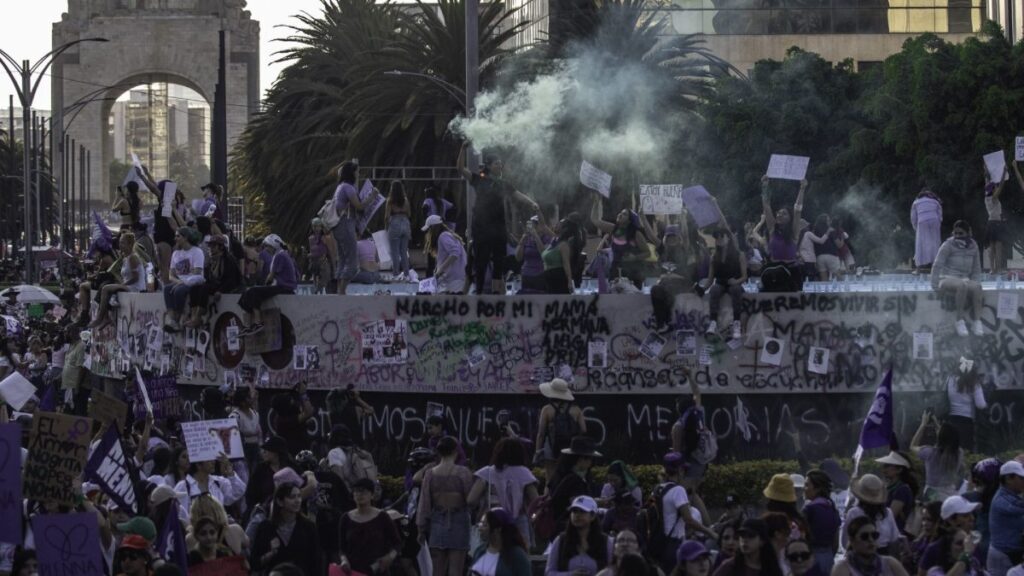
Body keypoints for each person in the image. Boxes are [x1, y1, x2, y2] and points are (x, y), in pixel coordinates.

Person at [457, 142, 540, 294]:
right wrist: (463, 149)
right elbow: (461, 169)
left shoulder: (503, 183)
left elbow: (517, 194)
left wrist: (532, 203)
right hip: (481, 229)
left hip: (499, 229)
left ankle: (496, 299)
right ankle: (479, 295)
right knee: (480, 264)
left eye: (501, 163)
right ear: (488, 166)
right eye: (496, 163)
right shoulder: (479, 180)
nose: (500, 166)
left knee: (498, 265)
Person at [417, 436, 474, 576]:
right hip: (459, 520)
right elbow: (471, 499)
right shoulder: (463, 472)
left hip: (437, 520)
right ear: (456, 451)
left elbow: (424, 503)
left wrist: (421, 529)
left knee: (437, 570)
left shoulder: (430, 473)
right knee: (456, 569)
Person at [467, 438, 540, 545]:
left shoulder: (487, 472)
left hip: (492, 521)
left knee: (492, 554)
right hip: (518, 522)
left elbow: (471, 500)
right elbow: (536, 501)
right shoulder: (524, 473)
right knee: (519, 556)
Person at [656, 452, 717, 573]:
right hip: (674, 544)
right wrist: (710, 532)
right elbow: (688, 520)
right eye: (683, 470)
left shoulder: (658, 488)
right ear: (679, 470)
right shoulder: (678, 490)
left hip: (660, 543)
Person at [250, 483, 322, 576]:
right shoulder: (265, 527)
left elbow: (316, 562)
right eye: (292, 497)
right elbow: (254, 563)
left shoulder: (308, 527)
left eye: (299, 496)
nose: (297, 501)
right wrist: (270, 554)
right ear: (280, 501)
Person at [332, 161, 380, 295]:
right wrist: (372, 196)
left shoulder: (341, 186)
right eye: (357, 171)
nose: (358, 174)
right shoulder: (348, 187)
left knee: (343, 259)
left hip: (339, 226)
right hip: (346, 225)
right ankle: (342, 291)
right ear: (352, 173)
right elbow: (359, 206)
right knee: (352, 263)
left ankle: (339, 291)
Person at [338, 478, 402, 576]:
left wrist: (389, 557)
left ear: (372, 495)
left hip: (377, 570)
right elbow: (342, 549)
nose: (360, 494)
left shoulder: (382, 517)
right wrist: (344, 561)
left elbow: (397, 543)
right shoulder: (346, 518)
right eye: (356, 491)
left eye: (364, 491)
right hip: (354, 572)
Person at [930, 220, 983, 337]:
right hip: (946, 278)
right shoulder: (948, 245)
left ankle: (977, 322)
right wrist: (935, 286)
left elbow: (976, 268)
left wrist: (974, 282)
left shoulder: (973, 246)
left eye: (961, 233)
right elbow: (937, 265)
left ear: (968, 233)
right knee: (961, 286)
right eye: (956, 233)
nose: (958, 236)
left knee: (978, 287)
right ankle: (959, 320)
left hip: (964, 278)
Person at [238, 234, 297, 336]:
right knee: (247, 294)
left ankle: (258, 323)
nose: (266, 249)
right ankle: (248, 325)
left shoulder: (279, 256)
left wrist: (264, 286)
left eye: (267, 246)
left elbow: (270, 276)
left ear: (273, 246)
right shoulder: (283, 254)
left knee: (254, 291)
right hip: (284, 286)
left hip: (284, 287)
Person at [535, 378, 587, 485]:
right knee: (569, 478)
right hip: (570, 448)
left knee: (549, 480)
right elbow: (584, 430)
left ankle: (549, 499)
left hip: (551, 447)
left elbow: (541, 433)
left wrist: (537, 451)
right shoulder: (576, 409)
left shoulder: (547, 409)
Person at [760, 175, 808, 291]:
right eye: (778, 213)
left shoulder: (793, 232)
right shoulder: (772, 229)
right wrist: (765, 186)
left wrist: (802, 188)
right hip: (773, 270)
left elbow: (797, 209)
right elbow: (766, 205)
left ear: (790, 218)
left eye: (784, 213)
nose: (779, 215)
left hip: (792, 271)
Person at [545, 495, 614, 576]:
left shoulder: (606, 542)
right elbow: (549, 573)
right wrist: (570, 575)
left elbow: (613, 571)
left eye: (582, 511)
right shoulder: (560, 540)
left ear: (592, 516)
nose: (577, 515)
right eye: (574, 511)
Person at [89, 232, 146, 329]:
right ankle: (105, 317)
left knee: (106, 288)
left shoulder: (133, 257)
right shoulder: (125, 258)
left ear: (130, 244)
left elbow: (135, 278)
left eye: (123, 243)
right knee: (104, 285)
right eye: (120, 243)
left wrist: (123, 285)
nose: (120, 245)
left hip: (135, 287)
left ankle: (100, 318)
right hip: (127, 285)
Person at [185, 234, 241, 329]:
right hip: (216, 284)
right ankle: (194, 315)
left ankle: (198, 317)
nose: (210, 248)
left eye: (213, 246)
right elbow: (208, 277)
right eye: (210, 245)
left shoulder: (228, 260)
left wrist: (221, 290)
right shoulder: (211, 260)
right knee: (194, 288)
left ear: (221, 247)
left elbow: (232, 280)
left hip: (228, 286)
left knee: (204, 288)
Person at [549, 436, 601, 532]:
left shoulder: (561, 474)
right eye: (589, 458)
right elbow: (578, 504)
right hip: (568, 526)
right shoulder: (574, 480)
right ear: (580, 459)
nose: (591, 462)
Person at [174, 454, 247, 522]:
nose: (213, 462)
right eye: (209, 460)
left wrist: (230, 473)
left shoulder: (218, 482)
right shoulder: (183, 486)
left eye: (213, 459)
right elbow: (180, 514)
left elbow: (238, 491)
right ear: (198, 465)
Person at [704, 227, 747, 340]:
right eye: (717, 237)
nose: (719, 239)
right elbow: (710, 278)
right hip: (720, 283)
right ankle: (713, 322)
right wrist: (701, 289)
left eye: (722, 236)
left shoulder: (739, 254)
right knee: (714, 290)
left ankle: (736, 322)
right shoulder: (714, 257)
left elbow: (744, 276)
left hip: (734, 283)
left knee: (736, 290)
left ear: (729, 238)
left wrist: (736, 281)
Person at [911, 414, 966, 502]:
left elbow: (913, 446)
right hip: (950, 494)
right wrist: (936, 423)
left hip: (932, 494)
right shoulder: (959, 453)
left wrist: (923, 425)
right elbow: (948, 437)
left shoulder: (930, 453)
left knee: (933, 514)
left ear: (940, 436)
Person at [841, 475, 901, 554]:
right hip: (884, 555)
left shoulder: (854, 513)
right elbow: (894, 538)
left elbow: (845, 540)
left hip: (860, 554)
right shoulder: (888, 513)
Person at [832, 517, 910, 576]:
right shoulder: (842, 569)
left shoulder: (890, 563)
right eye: (864, 536)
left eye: (874, 535)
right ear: (852, 541)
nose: (871, 540)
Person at [162, 227, 205, 332]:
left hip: (193, 281)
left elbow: (197, 272)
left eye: (178, 236)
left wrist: (184, 282)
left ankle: (177, 319)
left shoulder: (197, 251)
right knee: (167, 289)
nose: (175, 238)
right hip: (179, 282)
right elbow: (171, 275)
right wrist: (179, 282)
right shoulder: (176, 253)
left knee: (179, 291)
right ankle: (172, 319)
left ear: (185, 238)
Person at [469, 507, 532, 576]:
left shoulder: (517, 555)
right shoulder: (479, 551)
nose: (480, 528)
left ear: (498, 529)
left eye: (485, 525)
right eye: (480, 524)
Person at [987, 461, 1024, 576]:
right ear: (1008, 479)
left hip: (1009, 553)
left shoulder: (1010, 496)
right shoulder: (1001, 500)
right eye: (1021, 478)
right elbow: (1020, 508)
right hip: (1002, 556)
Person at [711, 518, 783, 576]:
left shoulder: (771, 568)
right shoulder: (730, 566)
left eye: (750, 536)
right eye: (742, 536)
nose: (745, 540)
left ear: (762, 541)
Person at [803, 469, 842, 574]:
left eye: (807, 485)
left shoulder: (809, 509)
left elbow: (802, 539)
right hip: (829, 559)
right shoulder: (832, 508)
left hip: (811, 558)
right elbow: (836, 543)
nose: (804, 489)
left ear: (817, 488)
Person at [945, 361, 987, 452]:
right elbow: (980, 405)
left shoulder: (950, 379)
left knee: (952, 450)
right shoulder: (974, 383)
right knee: (965, 451)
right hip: (966, 422)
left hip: (951, 419)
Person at [875, 451, 919, 533]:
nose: (884, 468)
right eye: (884, 465)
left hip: (894, 535)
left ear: (899, 470)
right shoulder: (889, 487)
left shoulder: (902, 489)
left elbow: (890, 517)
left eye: (887, 465)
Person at [422, 215, 468, 294]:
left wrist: (440, 271)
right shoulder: (446, 236)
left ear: (433, 228)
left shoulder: (443, 236)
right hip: (452, 278)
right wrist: (437, 269)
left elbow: (455, 253)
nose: (428, 233)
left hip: (456, 279)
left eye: (429, 230)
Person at [597, 529, 663, 576]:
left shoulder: (654, 571)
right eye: (620, 540)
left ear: (639, 549)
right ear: (614, 549)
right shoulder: (606, 574)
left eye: (630, 540)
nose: (625, 544)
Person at [516, 215, 553, 293]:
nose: (534, 226)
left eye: (536, 224)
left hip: (540, 274)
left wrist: (536, 236)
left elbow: (543, 254)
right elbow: (518, 257)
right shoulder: (527, 238)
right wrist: (522, 240)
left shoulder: (547, 238)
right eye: (532, 224)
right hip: (526, 274)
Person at [983, 164, 1010, 273]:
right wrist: (1004, 172)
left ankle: (992, 268)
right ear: (992, 190)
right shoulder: (993, 198)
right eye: (994, 188)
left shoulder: (987, 197)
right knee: (998, 247)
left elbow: (987, 182)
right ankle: (997, 268)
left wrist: (986, 170)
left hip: (990, 223)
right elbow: (1002, 185)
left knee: (992, 247)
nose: (996, 188)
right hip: (996, 223)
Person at [542, 218, 579, 294]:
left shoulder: (563, 245)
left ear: (564, 229)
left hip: (558, 277)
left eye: (559, 224)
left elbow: (566, 264)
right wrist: (537, 210)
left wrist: (569, 281)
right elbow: (543, 226)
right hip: (549, 276)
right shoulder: (555, 239)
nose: (556, 224)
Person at [385, 181, 412, 280]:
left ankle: (396, 274)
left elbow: (387, 217)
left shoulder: (390, 201)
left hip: (395, 223)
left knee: (395, 252)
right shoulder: (405, 200)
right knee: (404, 252)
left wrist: (386, 227)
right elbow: (409, 214)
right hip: (405, 223)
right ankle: (406, 274)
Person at [911, 189, 942, 270]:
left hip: (922, 221)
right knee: (935, 242)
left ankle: (919, 266)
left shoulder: (916, 202)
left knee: (921, 243)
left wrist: (916, 228)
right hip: (935, 220)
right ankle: (934, 265)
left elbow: (913, 217)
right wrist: (938, 224)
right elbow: (940, 215)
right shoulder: (935, 201)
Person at [308, 218, 338, 293]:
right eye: (314, 226)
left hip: (324, 262)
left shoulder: (326, 238)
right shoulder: (311, 239)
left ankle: (320, 288)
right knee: (316, 279)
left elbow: (331, 253)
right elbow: (312, 251)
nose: (316, 228)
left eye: (318, 226)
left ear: (321, 227)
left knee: (325, 278)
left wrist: (334, 269)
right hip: (314, 262)